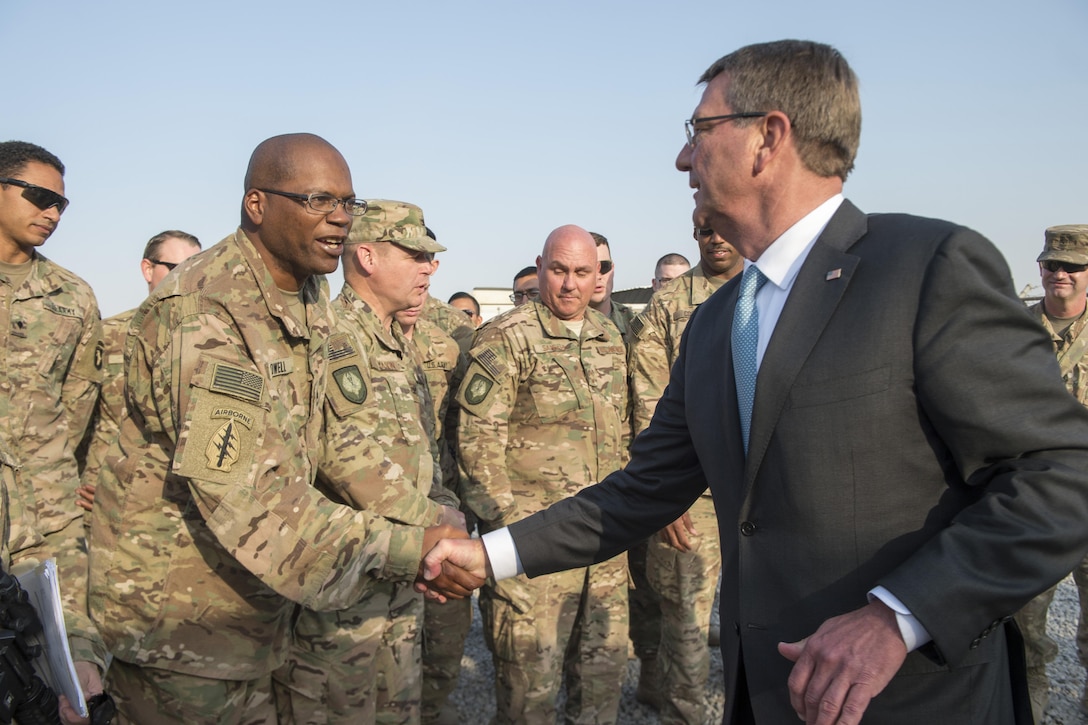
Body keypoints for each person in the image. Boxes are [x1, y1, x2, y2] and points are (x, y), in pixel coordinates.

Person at [421, 40, 1088, 725]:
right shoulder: (714, 324)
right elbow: (643, 489)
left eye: (699, 132)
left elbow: (1062, 472)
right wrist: (489, 553)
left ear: (769, 137)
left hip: (914, 701)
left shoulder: (923, 269)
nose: (683, 158)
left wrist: (899, 615)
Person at [87, 134, 468, 724]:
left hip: (267, 610)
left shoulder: (308, 293)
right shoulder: (201, 310)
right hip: (184, 629)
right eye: (318, 200)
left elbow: (335, 436)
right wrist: (409, 549)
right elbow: (247, 492)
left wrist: (428, 520)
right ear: (257, 204)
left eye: (347, 201)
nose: (340, 218)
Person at [274, 198, 464, 724]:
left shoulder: (397, 344)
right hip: (346, 586)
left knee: (397, 709)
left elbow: (423, 450)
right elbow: (345, 456)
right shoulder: (335, 334)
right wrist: (436, 522)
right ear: (367, 257)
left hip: (401, 575)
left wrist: (443, 506)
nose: (430, 267)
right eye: (415, 255)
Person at [456, 225, 631, 724]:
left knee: (601, 686)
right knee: (527, 697)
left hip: (604, 547)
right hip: (533, 550)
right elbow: (476, 444)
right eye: (558, 270)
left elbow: (621, 438)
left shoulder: (608, 338)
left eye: (581, 272)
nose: (570, 285)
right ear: (540, 267)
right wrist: (507, 546)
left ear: (598, 274)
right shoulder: (507, 338)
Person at [0, 140, 108, 723]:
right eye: (40, 196)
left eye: (62, 204)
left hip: (46, 516)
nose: (53, 212)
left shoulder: (71, 297)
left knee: (69, 679)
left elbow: (77, 411)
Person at [626, 222, 742, 723]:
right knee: (686, 627)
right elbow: (649, 405)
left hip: (771, 493)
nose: (715, 239)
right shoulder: (669, 305)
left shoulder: (777, 288)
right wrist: (666, 495)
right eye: (703, 230)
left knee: (771, 620)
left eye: (724, 229)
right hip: (694, 498)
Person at [1014, 223, 1088, 722]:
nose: (1059, 274)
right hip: (1032, 504)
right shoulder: (1010, 329)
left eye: (1072, 267)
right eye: (1051, 265)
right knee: (1023, 638)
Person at [77, 230, 202, 513]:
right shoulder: (107, 335)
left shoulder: (210, 340)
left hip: (181, 504)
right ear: (148, 269)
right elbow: (77, 415)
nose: (187, 278)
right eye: (177, 268)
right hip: (105, 498)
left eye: (195, 269)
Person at [396, 293, 473, 725]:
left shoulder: (452, 335)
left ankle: (432, 709)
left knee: (446, 639)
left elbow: (469, 423)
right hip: (376, 525)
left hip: (442, 510)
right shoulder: (335, 327)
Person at [588, 231, 636, 339]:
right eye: (589, 269)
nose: (598, 276)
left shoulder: (633, 323)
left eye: (604, 267)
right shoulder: (559, 323)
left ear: (612, 268)